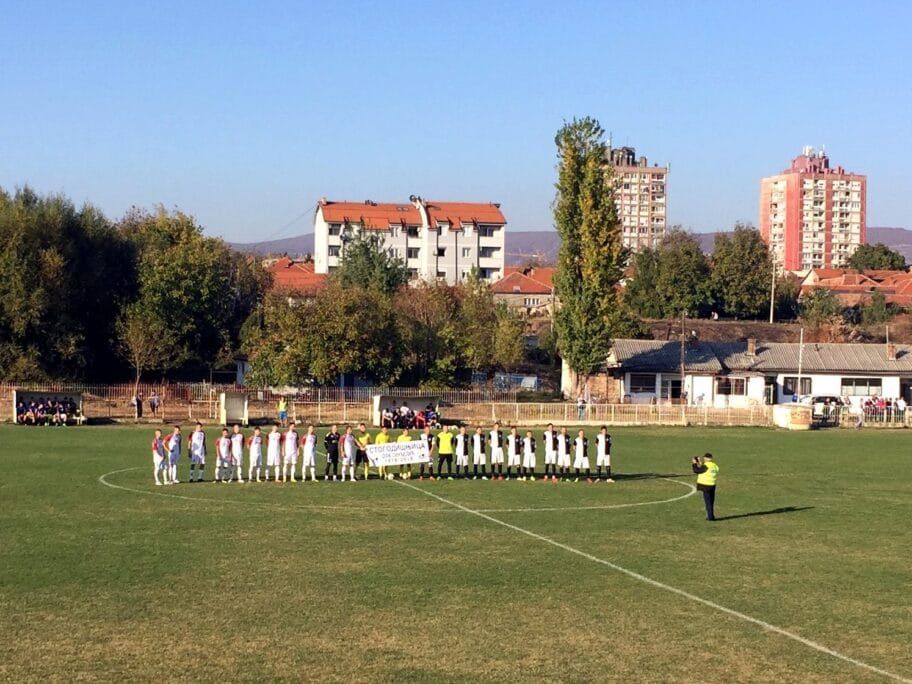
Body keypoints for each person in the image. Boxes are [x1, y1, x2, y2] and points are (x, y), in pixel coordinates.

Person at [692, 453, 719, 521]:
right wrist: (700, 464)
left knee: (708, 502)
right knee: (711, 501)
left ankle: (710, 517)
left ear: (705, 458)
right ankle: (711, 516)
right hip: (712, 484)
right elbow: (705, 470)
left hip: (705, 485)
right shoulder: (715, 466)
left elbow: (696, 471)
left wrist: (694, 463)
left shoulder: (706, 466)